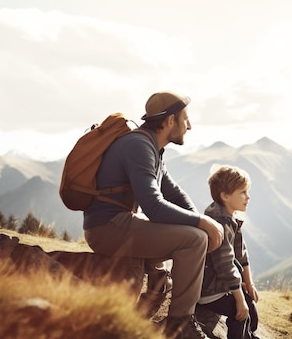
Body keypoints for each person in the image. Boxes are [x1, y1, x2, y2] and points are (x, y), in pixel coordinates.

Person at [83, 91, 224, 339]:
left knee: (198, 235)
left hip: (120, 224)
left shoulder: (152, 147)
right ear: (169, 120)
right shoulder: (138, 145)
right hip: (107, 228)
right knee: (195, 240)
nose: (189, 126)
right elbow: (154, 206)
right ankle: (180, 326)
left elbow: (174, 194)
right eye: (186, 119)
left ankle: (163, 291)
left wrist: (204, 224)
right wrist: (203, 224)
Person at [196, 165, 260, 339]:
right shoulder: (221, 223)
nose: (248, 197)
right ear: (225, 195)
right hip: (210, 290)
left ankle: (250, 334)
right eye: (243, 192)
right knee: (240, 312)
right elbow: (225, 265)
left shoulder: (230, 218)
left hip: (220, 284)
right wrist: (239, 298)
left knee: (250, 303)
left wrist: (249, 284)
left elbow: (241, 254)